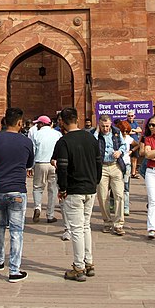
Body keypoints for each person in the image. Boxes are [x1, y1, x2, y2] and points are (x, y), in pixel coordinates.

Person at [0, 107, 34, 282]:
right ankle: (14, 270)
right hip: (17, 190)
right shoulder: (26, 142)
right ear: (20, 123)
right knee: (17, 231)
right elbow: (29, 163)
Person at [55, 107, 101, 281]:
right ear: (77, 119)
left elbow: (63, 167)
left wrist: (62, 188)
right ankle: (89, 263)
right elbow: (98, 163)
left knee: (75, 229)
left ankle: (79, 267)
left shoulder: (64, 141)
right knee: (85, 226)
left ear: (62, 121)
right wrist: (94, 182)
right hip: (89, 188)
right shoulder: (91, 138)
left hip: (74, 189)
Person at [92, 114, 127, 236]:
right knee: (102, 196)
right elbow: (92, 145)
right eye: (103, 126)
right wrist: (96, 132)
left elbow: (124, 145)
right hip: (102, 166)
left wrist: (120, 152)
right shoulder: (94, 133)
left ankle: (119, 224)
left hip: (115, 165)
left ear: (111, 124)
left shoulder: (116, 132)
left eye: (107, 126)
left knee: (119, 195)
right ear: (99, 125)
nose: (105, 129)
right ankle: (107, 222)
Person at [31, 115, 62, 224]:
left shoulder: (36, 134)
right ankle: (50, 215)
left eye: (38, 123)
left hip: (40, 162)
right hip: (53, 163)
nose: (37, 125)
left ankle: (37, 207)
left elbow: (33, 150)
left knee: (37, 187)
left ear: (42, 124)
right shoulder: (57, 134)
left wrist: (31, 165)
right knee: (52, 190)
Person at [115, 120, 133, 216]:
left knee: (126, 186)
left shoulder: (129, 138)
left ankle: (126, 207)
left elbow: (137, 144)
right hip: (117, 163)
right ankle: (113, 203)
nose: (125, 133)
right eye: (123, 131)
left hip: (126, 164)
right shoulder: (116, 138)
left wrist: (131, 151)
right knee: (114, 185)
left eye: (126, 131)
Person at [127, 111, 142, 178]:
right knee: (128, 158)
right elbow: (127, 132)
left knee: (135, 158)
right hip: (128, 142)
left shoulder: (135, 123)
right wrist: (134, 131)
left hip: (135, 143)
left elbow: (140, 130)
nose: (130, 117)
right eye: (129, 116)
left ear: (134, 116)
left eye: (132, 116)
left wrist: (133, 130)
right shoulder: (126, 123)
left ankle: (133, 173)